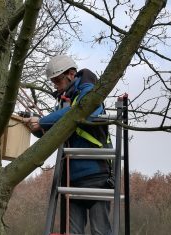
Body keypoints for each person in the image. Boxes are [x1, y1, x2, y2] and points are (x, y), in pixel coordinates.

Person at [25, 55, 112, 235]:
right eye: (53, 81)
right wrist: (34, 124)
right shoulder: (64, 102)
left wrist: (42, 121)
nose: (55, 85)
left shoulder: (90, 93)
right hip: (71, 179)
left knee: (100, 231)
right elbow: (50, 131)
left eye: (57, 80)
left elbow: (85, 112)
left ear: (71, 74)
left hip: (96, 175)